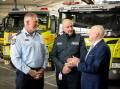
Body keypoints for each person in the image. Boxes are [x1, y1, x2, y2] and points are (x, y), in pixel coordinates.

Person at [10, 13, 48, 89]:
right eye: (36, 22)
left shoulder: (40, 36)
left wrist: (43, 68)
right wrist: (30, 71)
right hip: (24, 75)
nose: (38, 24)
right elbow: (15, 58)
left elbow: (45, 53)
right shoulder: (16, 38)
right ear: (27, 22)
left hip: (39, 73)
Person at [68, 25, 111, 89]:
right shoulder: (95, 46)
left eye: (90, 32)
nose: (88, 34)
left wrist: (77, 64)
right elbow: (90, 62)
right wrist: (79, 60)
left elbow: (95, 68)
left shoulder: (102, 48)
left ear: (96, 34)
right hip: (89, 83)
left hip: (94, 85)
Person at [51, 19, 87, 89]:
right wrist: (62, 67)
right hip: (61, 72)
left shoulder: (79, 38)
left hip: (75, 73)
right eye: (67, 27)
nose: (70, 29)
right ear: (63, 28)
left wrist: (73, 64)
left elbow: (84, 56)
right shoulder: (58, 39)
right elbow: (53, 55)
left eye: (71, 26)